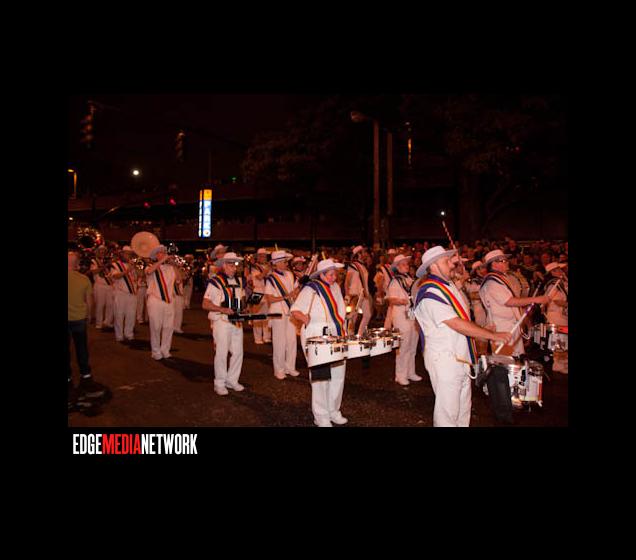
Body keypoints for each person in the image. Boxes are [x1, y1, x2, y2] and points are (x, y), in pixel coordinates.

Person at [413, 246, 512, 427]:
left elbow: (462, 318)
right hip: (445, 359)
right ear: (433, 265)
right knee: (448, 413)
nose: (452, 264)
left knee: (463, 409)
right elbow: (455, 323)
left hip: (460, 356)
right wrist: (491, 335)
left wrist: (482, 328)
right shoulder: (429, 293)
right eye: (447, 261)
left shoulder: (448, 285)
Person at [291, 259, 348, 427]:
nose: (333, 277)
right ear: (321, 275)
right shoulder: (311, 289)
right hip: (316, 334)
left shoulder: (336, 288)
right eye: (330, 274)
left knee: (338, 374)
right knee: (320, 377)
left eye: (335, 274)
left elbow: (339, 312)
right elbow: (295, 310)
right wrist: (305, 319)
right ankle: (321, 416)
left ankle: (333, 411)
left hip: (336, 333)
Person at [479, 249, 552, 356]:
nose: (507, 262)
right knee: (506, 359)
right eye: (503, 261)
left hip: (509, 325)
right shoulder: (492, 283)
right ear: (494, 264)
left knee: (516, 356)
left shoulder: (501, 279)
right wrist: (536, 299)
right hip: (501, 327)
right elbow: (509, 301)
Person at [202, 252, 246, 396]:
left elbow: (241, 299)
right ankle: (219, 383)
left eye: (235, 264)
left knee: (238, 352)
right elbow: (205, 304)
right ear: (224, 266)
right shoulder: (215, 282)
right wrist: (222, 309)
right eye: (231, 264)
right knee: (221, 353)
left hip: (236, 321)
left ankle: (232, 380)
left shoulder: (239, 281)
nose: (234, 267)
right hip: (221, 321)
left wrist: (245, 307)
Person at [68, 252, 105, 408]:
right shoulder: (84, 279)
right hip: (79, 320)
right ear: (77, 264)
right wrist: (89, 316)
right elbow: (89, 302)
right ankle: (86, 376)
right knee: (81, 348)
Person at [386, 254, 421, 386]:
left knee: (413, 344)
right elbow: (391, 299)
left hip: (411, 314)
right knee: (403, 345)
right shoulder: (395, 281)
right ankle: (400, 375)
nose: (407, 266)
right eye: (404, 264)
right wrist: (403, 301)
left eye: (407, 264)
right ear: (397, 267)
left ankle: (410, 372)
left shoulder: (410, 279)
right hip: (401, 315)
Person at [265, 251, 300, 379]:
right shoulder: (271, 278)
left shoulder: (290, 274)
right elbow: (269, 298)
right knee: (279, 342)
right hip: (277, 312)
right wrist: (286, 296)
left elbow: (295, 290)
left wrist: (298, 289)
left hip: (289, 311)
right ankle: (279, 369)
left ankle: (290, 367)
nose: (286, 263)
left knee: (291, 341)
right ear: (277, 263)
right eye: (284, 261)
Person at [145, 244, 178, 360]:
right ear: (155, 256)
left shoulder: (170, 268)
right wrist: (163, 260)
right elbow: (149, 271)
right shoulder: (150, 266)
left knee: (169, 327)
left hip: (169, 301)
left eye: (164, 252)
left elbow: (180, 279)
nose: (164, 254)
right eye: (160, 252)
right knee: (155, 327)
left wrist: (174, 265)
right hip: (155, 300)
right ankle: (155, 352)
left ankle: (165, 350)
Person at [109, 245, 138, 343]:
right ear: (122, 254)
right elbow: (115, 276)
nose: (129, 256)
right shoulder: (115, 264)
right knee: (119, 315)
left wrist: (137, 269)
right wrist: (127, 271)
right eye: (127, 254)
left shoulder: (133, 264)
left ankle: (129, 334)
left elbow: (138, 277)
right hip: (120, 293)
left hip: (132, 293)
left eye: (130, 254)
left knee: (131, 315)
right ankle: (119, 336)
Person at [345, 245, 372, 336]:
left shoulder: (363, 266)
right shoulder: (353, 266)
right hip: (355, 294)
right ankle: (350, 335)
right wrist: (347, 295)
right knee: (353, 317)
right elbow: (347, 282)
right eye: (364, 252)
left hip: (363, 294)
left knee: (368, 315)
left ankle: (359, 334)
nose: (366, 254)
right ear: (359, 254)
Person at [249, 248, 272, 344]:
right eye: (262, 256)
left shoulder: (269, 267)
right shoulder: (254, 267)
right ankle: (257, 338)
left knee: (267, 315)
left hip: (267, 292)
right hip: (257, 292)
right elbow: (259, 277)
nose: (264, 258)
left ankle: (267, 336)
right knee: (256, 316)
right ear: (258, 257)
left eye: (265, 256)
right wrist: (267, 270)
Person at [90, 245, 114, 329]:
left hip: (110, 285)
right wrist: (105, 266)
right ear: (98, 252)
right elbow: (94, 272)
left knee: (110, 305)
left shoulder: (110, 261)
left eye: (104, 250)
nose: (102, 252)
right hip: (99, 285)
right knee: (100, 305)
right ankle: (99, 323)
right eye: (100, 250)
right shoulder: (94, 261)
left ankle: (107, 322)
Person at [543, 262, 568, 326]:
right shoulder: (554, 285)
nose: (562, 271)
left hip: (561, 316)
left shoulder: (560, 283)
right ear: (552, 272)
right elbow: (557, 301)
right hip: (557, 317)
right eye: (559, 269)